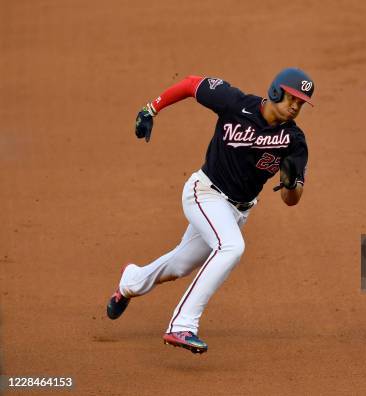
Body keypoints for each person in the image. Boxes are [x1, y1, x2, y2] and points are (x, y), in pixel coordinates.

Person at [106, 68, 315, 354]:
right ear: (276, 91)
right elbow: (192, 85)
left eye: (301, 103)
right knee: (231, 248)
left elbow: (292, 199)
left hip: (237, 212)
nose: (295, 107)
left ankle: (130, 281)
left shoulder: (295, 140)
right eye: (292, 98)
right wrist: (150, 109)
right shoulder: (235, 103)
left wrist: (291, 183)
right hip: (204, 194)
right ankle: (182, 325)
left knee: (180, 264)